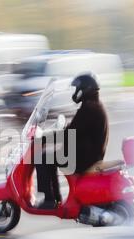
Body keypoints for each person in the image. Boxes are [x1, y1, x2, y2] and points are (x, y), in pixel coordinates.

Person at [35, 73, 109, 209]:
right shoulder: (93, 105)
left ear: (85, 89)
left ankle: (50, 199)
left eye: (77, 89)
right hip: (86, 154)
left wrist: (43, 138)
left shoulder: (90, 109)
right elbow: (75, 130)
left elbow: (70, 133)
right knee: (49, 156)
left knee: (42, 157)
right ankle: (54, 198)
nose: (75, 92)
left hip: (84, 159)